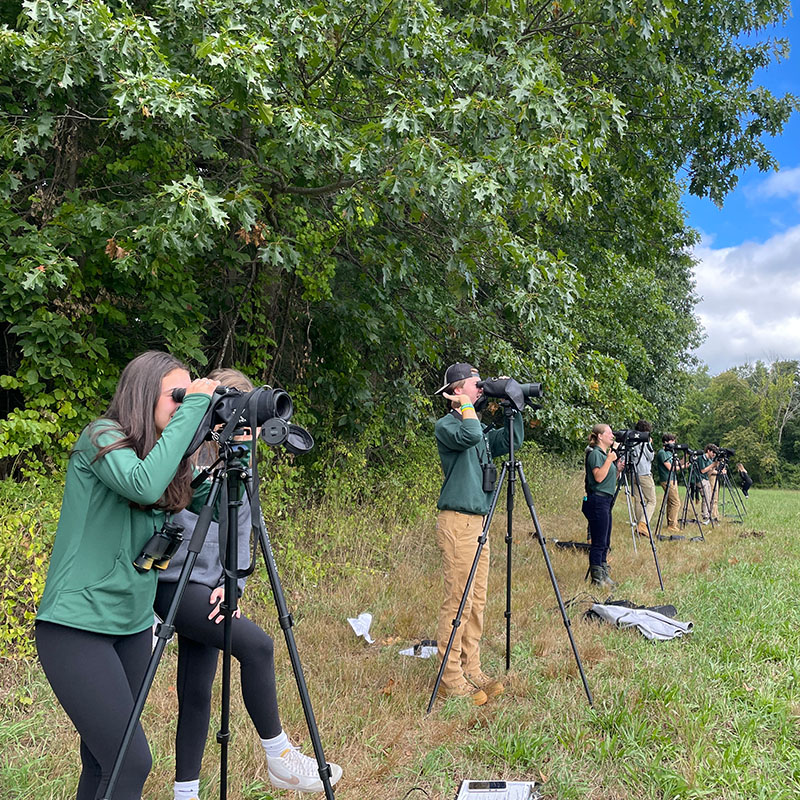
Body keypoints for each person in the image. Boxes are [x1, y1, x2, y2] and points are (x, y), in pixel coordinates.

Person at [35, 351, 218, 800]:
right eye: (176, 395)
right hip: (76, 627)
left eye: (187, 395)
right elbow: (143, 485)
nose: (182, 404)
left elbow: (213, 503)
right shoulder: (101, 437)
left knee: (101, 765)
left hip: (133, 628)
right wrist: (193, 409)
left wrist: (228, 442)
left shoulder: (164, 457)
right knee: (132, 762)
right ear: (142, 393)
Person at [155, 368, 342, 798]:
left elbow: (240, 527)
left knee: (196, 692)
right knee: (257, 645)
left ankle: (186, 793)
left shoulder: (239, 459)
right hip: (171, 583)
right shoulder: (183, 449)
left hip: (207, 584)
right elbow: (169, 518)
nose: (246, 427)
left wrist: (232, 581)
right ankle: (279, 756)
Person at [433, 362, 524, 706]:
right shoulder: (447, 426)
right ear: (457, 391)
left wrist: (514, 409)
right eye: (476, 384)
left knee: (477, 601)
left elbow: (509, 442)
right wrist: (467, 408)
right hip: (457, 522)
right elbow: (470, 435)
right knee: (458, 600)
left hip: (479, 523)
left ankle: (472, 666)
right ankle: (449, 676)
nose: (482, 389)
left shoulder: (479, 428)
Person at [582, 424, 623, 588]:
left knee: (605, 540)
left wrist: (617, 469)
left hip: (605, 500)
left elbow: (608, 479)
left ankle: (604, 574)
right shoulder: (596, 454)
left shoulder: (604, 455)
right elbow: (598, 477)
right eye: (609, 433)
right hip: (597, 500)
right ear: (600, 436)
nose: (612, 436)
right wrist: (609, 460)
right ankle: (597, 579)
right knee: (598, 541)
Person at [630, 420, 656, 537]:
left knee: (638, 500)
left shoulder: (631, 440)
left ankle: (638, 524)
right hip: (644, 474)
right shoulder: (644, 442)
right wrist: (649, 443)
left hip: (633, 473)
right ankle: (643, 523)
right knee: (651, 500)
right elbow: (650, 457)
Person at [655, 434, 682, 533]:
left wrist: (685, 459)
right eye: (672, 440)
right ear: (666, 442)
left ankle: (671, 522)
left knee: (671, 502)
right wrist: (683, 467)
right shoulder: (662, 453)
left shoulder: (670, 453)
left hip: (672, 478)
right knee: (676, 502)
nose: (674, 443)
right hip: (667, 479)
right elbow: (671, 468)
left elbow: (676, 466)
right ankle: (672, 525)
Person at [696, 444, 719, 524]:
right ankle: (705, 515)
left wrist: (714, 467)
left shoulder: (710, 460)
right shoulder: (701, 458)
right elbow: (702, 471)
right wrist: (712, 465)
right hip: (700, 479)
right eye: (713, 452)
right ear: (708, 451)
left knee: (710, 498)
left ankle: (709, 514)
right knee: (705, 497)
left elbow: (708, 473)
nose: (714, 455)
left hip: (706, 479)